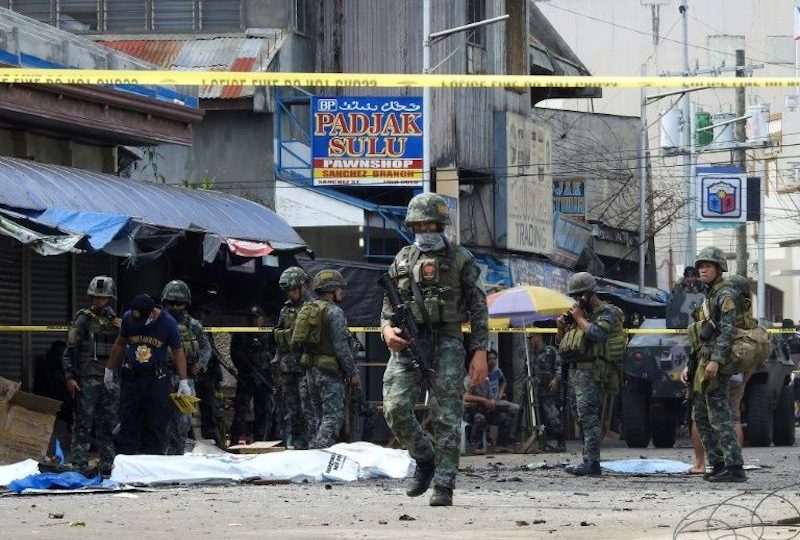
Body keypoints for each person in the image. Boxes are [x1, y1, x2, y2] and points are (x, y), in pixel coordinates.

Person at [381, 192, 488, 507]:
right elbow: (387, 306)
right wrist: (387, 331)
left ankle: (444, 484)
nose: (424, 231)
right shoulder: (401, 259)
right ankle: (424, 458)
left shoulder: (460, 259)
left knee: (446, 415)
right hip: (408, 343)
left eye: (430, 224)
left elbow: (479, 307)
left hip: (447, 341)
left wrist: (479, 349)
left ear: (441, 225)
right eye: (419, 225)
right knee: (395, 407)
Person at [683, 246, 747, 483]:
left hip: (715, 364)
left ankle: (734, 466)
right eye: (700, 266)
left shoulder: (725, 294)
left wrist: (716, 361)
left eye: (707, 266)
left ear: (720, 268)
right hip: (703, 360)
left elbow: (728, 331)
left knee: (720, 417)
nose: (702, 270)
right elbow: (702, 333)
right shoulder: (709, 296)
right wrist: (692, 366)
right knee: (701, 415)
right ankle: (718, 463)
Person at [108, 293, 191, 455]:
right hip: (132, 378)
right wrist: (109, 370)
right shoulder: (128, 318)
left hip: (156, 380)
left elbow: (178, 351)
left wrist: (183, 380)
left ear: (152, 312)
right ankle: (127, 465)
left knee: (155, 425)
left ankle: (151, 466)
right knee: (128, 422)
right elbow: (120, 343)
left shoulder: (168, 323)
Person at [557, 271, 623, 477]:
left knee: (589, 418)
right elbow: (563, 345)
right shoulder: (579, 315)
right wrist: (561, 328)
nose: (576, 300)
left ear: (589, 294)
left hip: (593, 373)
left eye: (579, 296)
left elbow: (597, 334)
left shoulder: (607, 312)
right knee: (580, 417)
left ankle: (592, 463)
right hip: (576, 373)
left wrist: (579, 319)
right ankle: (587, 459)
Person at [292, 269, 361, 449]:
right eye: (339, 288)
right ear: (331, 290)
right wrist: (352, 372)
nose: (342, 292)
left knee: (317, 417)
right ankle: (319, 453)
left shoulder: (308, 309)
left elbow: (296, 343)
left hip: (311, 372)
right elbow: (341, 346)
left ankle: (315, 452)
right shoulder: (334, 312)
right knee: (333, 417)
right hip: (329, 372)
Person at [62, 276, 120, 475]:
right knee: (83, 423)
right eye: (96, 298)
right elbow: (69, 351)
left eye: (103, 298)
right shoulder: (82, 319)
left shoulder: (116, 320)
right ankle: (79, 465)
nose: (99, 302)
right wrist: (70, 377)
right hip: (88, 378)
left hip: (110, 379)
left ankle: (107, 465)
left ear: (109, 299)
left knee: (109, 423)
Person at [161, 280, 211, 454]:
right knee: (162, 423)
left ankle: (177, 456)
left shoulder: (193, 325)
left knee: (183, 423)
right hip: (163, 378)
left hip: (186, 380)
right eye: (171, 303)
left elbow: (206, 347)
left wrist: (201, 364)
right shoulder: (157, 323)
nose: (175, 307)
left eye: (179, 303)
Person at [273, 266, 313, 449]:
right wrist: (277, 368)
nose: (291, 294)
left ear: (304, 287)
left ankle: (314, 446)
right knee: (292, 411)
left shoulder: (314, 308)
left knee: (310, 411)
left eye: (293, 290)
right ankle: (298, 445)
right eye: (288, 291)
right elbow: (279, 339)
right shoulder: (286, 310)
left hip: (308, 369)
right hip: (289, 369)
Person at [229, 306, 276, 445]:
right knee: (241, 410)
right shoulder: (243, 333)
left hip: (264, 377)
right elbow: (236, 354)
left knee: (263, 410)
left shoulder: (267, 333)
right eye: (253, 318)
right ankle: (235, 439)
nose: (255, 321)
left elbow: (273, 352)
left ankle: (261, 439)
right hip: (247, 377)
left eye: (257, 317)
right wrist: (246, 370)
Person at [462, 350, 519, 450]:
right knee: (479, 418)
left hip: (488, 410)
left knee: (505, 417)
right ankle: (477, 446)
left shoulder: (487, 379)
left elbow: (491, 395)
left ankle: (501, 445)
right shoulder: (470, 379)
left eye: (494, 359)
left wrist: (492, 400)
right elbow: (466, 397)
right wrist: (483, 400)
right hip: (474, 411)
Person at [191, 304, 225, 445]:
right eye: (199, 314)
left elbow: (212, 352)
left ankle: (213, 439)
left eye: (203, 314)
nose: (201, 317)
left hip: (207, 375)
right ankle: (190, 439)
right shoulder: (190, 327)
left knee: (209, 410)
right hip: (191, 374)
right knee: (187, 411)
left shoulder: (205, 330)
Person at [528, 332, 566, 452]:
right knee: (539, 418)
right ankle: (542, 442)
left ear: (538, 336)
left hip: (549, 389)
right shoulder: (531, 354)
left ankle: (561, 442)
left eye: (531, 338)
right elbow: (528, 371)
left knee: (552, 416)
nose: (530, 341)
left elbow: (559, 367)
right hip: (536, 390)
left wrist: (556, 379)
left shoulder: (551, 351)